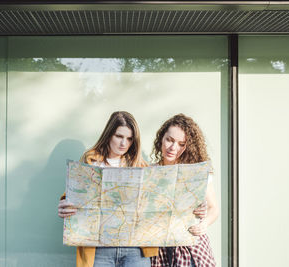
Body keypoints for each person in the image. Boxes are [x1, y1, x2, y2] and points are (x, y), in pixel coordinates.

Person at [58, 111, 158, 267]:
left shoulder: (141, 166)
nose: (123, 143)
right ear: (109, 134)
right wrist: (64, 204)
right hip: (99, 249)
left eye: (129, 138)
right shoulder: (90, 161)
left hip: (134, 249)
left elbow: (155, 204)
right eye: (119, 136)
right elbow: (73, 195)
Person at [150, 114, 219, 267]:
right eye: (169, 140)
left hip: (190, 246)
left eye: (181, 144)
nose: (173, 148)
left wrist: (204, 223)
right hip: (159, 248)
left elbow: (214, 208)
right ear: (161, 138)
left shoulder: (196, 173)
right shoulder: (149, 172)